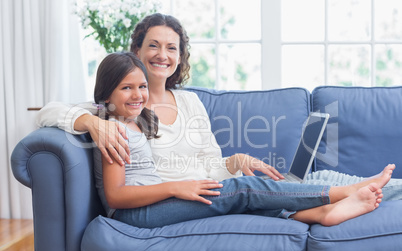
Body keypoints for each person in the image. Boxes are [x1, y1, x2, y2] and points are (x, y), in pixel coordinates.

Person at [36, 13, 402, 202]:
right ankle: (353, 195)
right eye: (154, 45)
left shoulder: (191, 101)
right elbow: (46, 112)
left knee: (315, 178)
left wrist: (238, 161)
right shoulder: (122, 104)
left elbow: (213, 162)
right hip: (181, 195)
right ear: (137, 49)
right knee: (287, 190)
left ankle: (381, 188)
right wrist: (91, 122)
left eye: (172, 48)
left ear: (180, 58)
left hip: (218, 183)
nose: (163, 55)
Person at [91, 51, 393, 229]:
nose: (138, 95)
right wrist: (175, 187)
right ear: (106, 95)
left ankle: (323, 212)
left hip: (154, 202)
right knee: (244, 189)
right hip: (134, 214)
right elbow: (116, 196)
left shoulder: (133, 123)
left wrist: (207, 173)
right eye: (126, 88)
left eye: (141, 86)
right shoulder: (110, 129)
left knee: (247, 194)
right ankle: (340, 193)